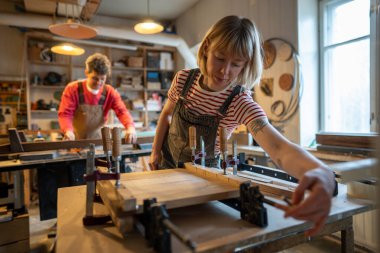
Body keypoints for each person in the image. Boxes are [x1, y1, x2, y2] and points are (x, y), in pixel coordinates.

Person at [149, 15, 336, 236]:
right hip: (166, 172)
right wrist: (154, 152)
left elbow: (279, 148)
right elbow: (166, 116)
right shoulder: (182, 80)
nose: (225, 71)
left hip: (205, 183)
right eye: (220, 58)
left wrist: (323, 173)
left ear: (246, 64)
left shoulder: (240, 102)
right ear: (207, 48)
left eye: (236, 64)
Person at [58, 52, 136, 143]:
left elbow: (122, 111)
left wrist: (130, 127)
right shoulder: (73, 89)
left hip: (99, 142)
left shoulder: (109, 92)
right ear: (86, 72)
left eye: (103, 79)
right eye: (95, 78)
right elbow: (65, 114)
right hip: (75, 140)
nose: (99, 83)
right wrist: (68, 130)